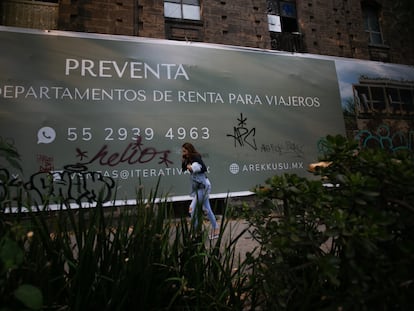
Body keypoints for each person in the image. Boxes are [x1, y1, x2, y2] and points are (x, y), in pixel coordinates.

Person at [181, 142, 219, 239]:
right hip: (199, 187)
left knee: (192, 209)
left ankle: (196, 231)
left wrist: (192, 167)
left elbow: (203, 168)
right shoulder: (188, 159)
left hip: (203, 186)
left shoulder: (196, 157)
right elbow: (183, 169)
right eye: (183, 151)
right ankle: (215, 229)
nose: (183, 153)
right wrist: (184, 161)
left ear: (189, 150)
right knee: (207, 209)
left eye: (185, 151)